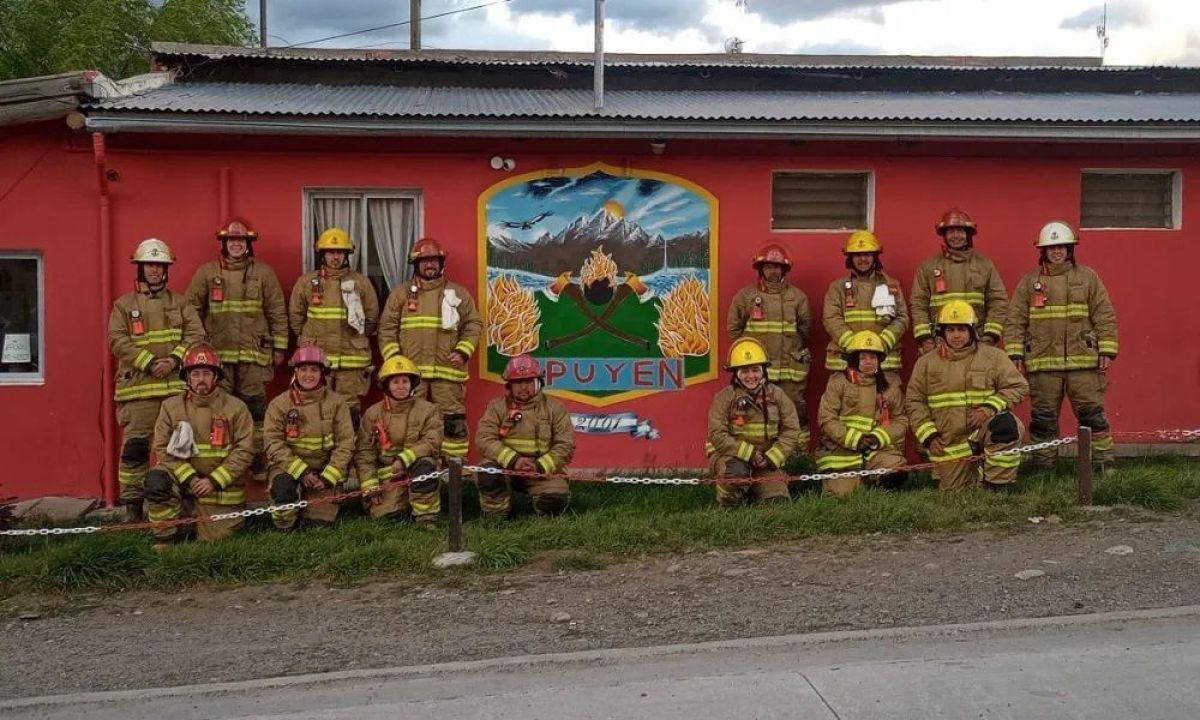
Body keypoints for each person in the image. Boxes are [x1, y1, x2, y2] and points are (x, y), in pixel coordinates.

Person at [1004, 221, 1119, 469]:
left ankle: (1103, 465)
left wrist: (1107, 349)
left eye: (1062, 247)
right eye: (1051, 248)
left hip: (1084, 363)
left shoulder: (1088, 277)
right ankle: (1045, 468)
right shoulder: (1029, 282)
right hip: (1043, 365)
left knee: (1093, 417)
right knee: (1044, 420)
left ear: (1070, 249)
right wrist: (1014, 353)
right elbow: (1014, 319)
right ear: (1043, 251)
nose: (1057, 252)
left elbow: (1104, 313)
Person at [185, 217, 288, 482]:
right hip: (217, 360)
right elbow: (190, 311)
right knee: (219, 410)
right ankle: (223, 460)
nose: (236, 245)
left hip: (254, 358)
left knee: (255, 412)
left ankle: (255, 460)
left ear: (248, 244)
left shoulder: (263, 274)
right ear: (224, 243)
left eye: (241, 241)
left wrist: (279, 347)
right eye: (232, 240)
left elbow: (276, 310)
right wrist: (196, 348)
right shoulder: (207, 273)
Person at [108, 238, 204, 520]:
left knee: (183, 446)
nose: (154, 270)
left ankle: (182, 501)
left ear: (166, 270)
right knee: (136, 450)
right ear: (140, 267)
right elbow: (116, 340)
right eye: (149, 264)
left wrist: (174, 360)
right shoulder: (124, 305)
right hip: (138, 392)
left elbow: (196, 335)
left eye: (159, 265)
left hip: (175, 390)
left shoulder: (180, 302)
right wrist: (149, 362)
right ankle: (133, 506)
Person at [906, 300, 1029, 490]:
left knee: (1006, 425)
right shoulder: (925, 363)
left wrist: (989, 408)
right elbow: (915, 402)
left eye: (962, 330)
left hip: (981, 431)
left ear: (972, 331)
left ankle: (997, 486)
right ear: (942, 333)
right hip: (950, 443)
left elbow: (1018, 386)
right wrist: (928, 435)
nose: (956, 336)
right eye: (951, 330)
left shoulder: (993, 357)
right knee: (955, 495)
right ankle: (976, 475)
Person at [378, 238, 482, 461]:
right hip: (412, 377)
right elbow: (386, 328)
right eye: (424, 261)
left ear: (441, 262)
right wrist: (396, 362)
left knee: (453, 423)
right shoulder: (400, 294)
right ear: (416, 265)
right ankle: (420, 467)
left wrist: (463, 351)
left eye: (434, 260)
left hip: (448, 373)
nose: (430, 265)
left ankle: (454, 474)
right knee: (414, 424)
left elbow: (474, 324)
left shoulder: (458, 294)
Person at [145, 343, 254, 543]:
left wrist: (213, 481)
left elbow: (244, 451)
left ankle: (192, 522)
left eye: (206, 373)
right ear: (187, 377)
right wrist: (191, 478)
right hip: (186, 483)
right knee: (157, 480)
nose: (201, 379)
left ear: (216, 376)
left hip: (220, 490)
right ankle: (165, 540)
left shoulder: (236, 408)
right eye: (195, 374)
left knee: (216, 541)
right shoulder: (170, 407)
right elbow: (161, 448)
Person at [287, 227, 380, 426]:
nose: (335, 257)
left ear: (347, 255)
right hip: (319, 361)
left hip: (352, 363)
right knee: (317, 409)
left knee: (351, 413)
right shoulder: (306, 283)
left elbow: (372, 319)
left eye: (339, 252)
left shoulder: (361, 283)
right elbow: (296, 318)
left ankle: (350, 454)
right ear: (323, 255)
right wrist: (310, 340)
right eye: (330, 252)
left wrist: (356, 340)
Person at [727, 242, 813, 451]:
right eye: (768, 267)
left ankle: (799, 459)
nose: (772, 271)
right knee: (757, 414)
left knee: (795, 412)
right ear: (760, 269)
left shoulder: (798, 297)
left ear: (784, 269)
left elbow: (805, 330)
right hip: (756, 372)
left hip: (790, 373)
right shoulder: (745, 297)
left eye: (776, 267)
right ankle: (759, 456)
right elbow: (734, 330)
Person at [262, 346, 356, 530]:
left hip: (324, 471)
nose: (308, 375)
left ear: (323, 373)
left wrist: (328, 477)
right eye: (303, 369)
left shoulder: (337, 403)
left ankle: (313, 510)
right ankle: (284, 529)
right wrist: (302, 472)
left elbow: (345, 443)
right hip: (288, 469)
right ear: (295, 372)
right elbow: (273, 443)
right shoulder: (279, 404)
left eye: (314, 370)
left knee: (318, 526)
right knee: (283, 490)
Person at [475, 354, 575, 518]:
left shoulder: (555, 408)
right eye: (518, 382)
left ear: (539, 382)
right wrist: (514, 460)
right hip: (505, 466)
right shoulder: (496, 407)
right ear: (509, 386)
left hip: (542, 470)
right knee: (489, 475)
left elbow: (565, 445)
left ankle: (540, 508)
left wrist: (540, 466)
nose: (523, 387)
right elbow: (484, 439)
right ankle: (496, 517)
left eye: (528, 381)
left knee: (554, 499)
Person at [706, 337, 802, 507]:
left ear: (763, 371)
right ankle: (729, 503)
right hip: (730, 458)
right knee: (736, 476)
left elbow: (791, 430)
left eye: (755, 370)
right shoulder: (723, 398)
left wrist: (772, 457)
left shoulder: (778, 395)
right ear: (736, 373)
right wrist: (750, 454)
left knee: (777, 503)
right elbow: (717, 434)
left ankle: (755, 492)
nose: (751, 376)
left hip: (765, 461)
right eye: (744, 371)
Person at [815, 330, 908, 494]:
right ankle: (856, 483)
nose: (868, 362)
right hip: (841, 449)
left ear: (879, 360)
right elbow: (826, 419)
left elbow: (900, 420)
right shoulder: (838, 382)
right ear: (854, 359)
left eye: (873, 357)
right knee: (843, 495)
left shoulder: (889, 386)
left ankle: (880, 486)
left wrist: (878, 437)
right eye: (863, 357)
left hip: (875, 447)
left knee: (896, 470)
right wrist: (854, 439)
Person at [354, 355, 443, 525]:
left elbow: (432, 441)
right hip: (388, 478)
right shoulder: (373, 414)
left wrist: (404, 459)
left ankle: (426, 519)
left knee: (425, 464)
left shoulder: (429, 410)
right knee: (390, 520)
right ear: (386, 385)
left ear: (412, 384)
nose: (401, 386)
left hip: (417, 470)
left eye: (405, 381)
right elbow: (364, 453)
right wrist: (370, 486)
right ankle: (398, 507)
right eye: (395, 382)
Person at [910, 209, 1009, 352]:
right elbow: (918, 304)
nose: (956, 236)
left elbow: (998, 301)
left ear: (968, 234)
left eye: (960, 231)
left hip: (978, 341)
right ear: (944, 235)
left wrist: (990, 335)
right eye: (951, 232)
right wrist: (925, 338)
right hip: (938, 343)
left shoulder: (984, 265)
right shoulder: (928, 267)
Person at [822, 230, 909, 373]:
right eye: (857, 255)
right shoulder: (837, 287)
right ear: (850, 258)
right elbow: (831, 318)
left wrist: (883, 343)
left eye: (867, 254)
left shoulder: (891, 285)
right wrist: (853, 345)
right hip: (846, 360)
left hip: (884, 362)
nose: (863, 259)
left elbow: (902, 318)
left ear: (875, 257)